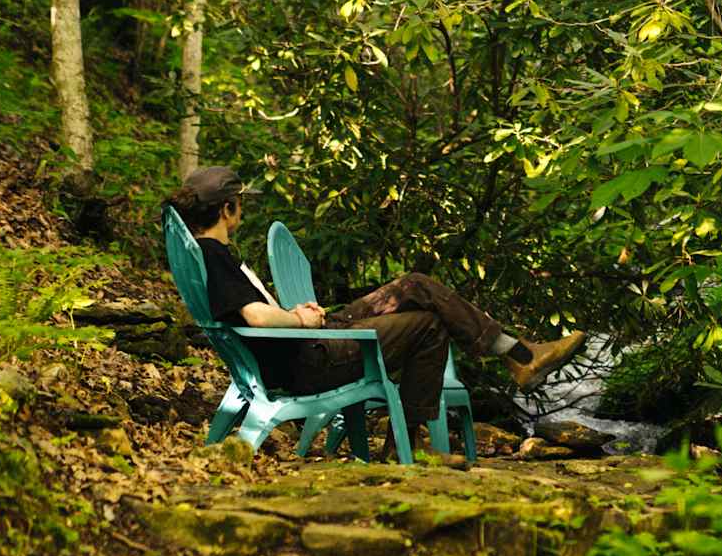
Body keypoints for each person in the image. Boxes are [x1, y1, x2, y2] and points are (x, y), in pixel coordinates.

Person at [165, 165, 586, 455]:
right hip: (309, 358)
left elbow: (251, 311)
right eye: (241, 203)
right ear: (226, 209)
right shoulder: (214, 256)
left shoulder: (209, 254)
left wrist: (300, 313)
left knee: (415, 285)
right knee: (427, 326)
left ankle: (519, 355)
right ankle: (512, 363)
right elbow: (256, 318)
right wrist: (296, 319)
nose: (244, 209)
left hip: (309, 339)